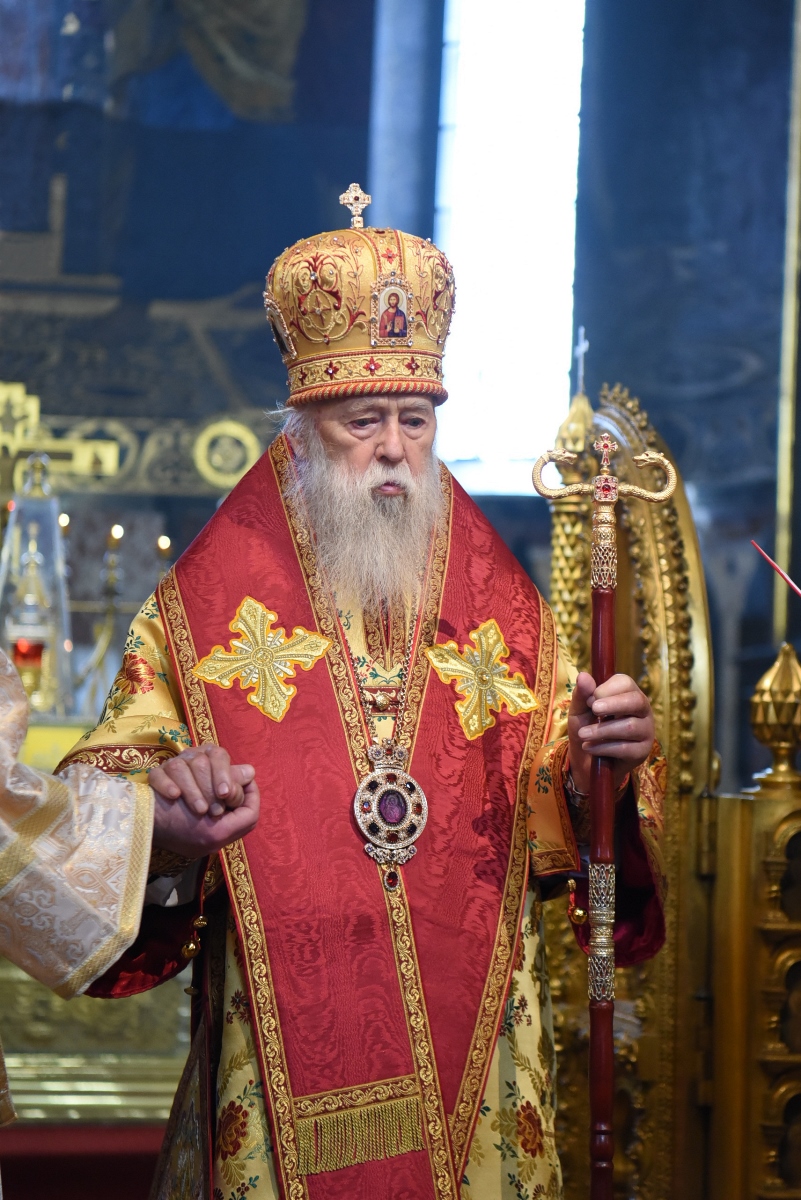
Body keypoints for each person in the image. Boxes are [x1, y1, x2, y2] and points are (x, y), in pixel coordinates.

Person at [58, 202, 666, 1200]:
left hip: (474, 1065)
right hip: (279, 1059)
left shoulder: (503, 610)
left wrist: (610, 762)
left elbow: (565, 810)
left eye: (414, 420)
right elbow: (95, 798)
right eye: (362, 421)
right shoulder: (205, 610)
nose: (393, 449)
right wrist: (164, 821)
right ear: (302, 432)